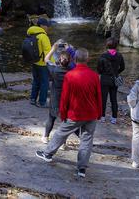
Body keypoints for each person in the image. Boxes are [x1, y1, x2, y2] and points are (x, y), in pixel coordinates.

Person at [36, 48, 102, 178]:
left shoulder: (70, 76)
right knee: (87, 139)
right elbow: (98, 96)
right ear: (88, 60)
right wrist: (99, 113)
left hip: (75, 113)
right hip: (91, 113)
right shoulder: (94, 76)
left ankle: (48, 154)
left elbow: (65, 97)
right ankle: (81, 169)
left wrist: (64, 113)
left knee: (61, 133)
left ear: (75, 59)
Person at [42, 51, 73, 143]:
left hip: (55, 98)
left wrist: (53, 48)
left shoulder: (55, 70)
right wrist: (70, 49)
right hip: (67, 100)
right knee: (65, 122)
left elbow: (46, 59)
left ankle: (46, 137)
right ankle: (63, 143)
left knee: (51, 118)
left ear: (59, 60)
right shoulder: (72, 72)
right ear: (69, 61)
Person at [96, 38, 125, 124]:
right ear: (116, 45)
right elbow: (123, 67)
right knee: (114, 99)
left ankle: (102, 117)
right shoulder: (119, 55)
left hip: (104, 79)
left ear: (107, 45)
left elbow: (99, 69)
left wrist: (102, 73)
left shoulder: (103, 56)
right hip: (114, 79)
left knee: (103, 99)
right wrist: (116, 72)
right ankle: (114, 118)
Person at [28, 18, 52, 107]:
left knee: (36, 80)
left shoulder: (31, 33)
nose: (48, 28)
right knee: (44, 82)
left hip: (34, 61)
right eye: (46, 26)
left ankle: (33, 99)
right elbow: (48, 52)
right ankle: (42, 102)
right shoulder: (43, 36)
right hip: (42, 64)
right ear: (42, 26)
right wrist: (53, 64)